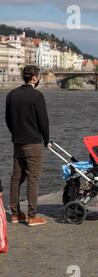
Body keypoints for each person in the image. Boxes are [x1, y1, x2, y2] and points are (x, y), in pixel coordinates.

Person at [5, 65, 50, 227]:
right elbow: (43, 121)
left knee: (16, 178)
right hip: (33, 143)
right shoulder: (37, 96)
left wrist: (16, 134)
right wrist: (47, 139)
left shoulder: (11, 95)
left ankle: (15, 214)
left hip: (18, 142)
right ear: (35, 78)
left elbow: (8, 120)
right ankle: (32, 216)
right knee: (33, 178)